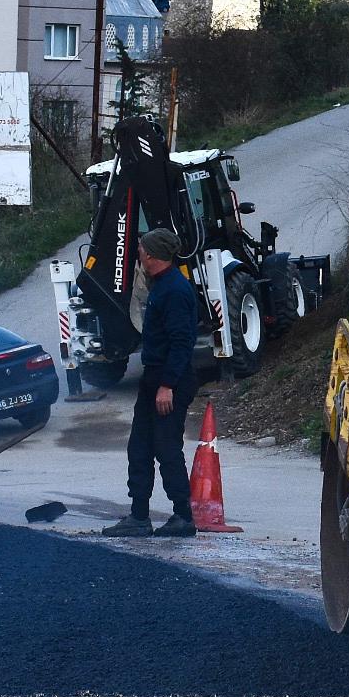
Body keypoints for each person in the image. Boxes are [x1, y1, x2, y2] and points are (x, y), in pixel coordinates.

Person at [102, 230, 199, 540]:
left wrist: (167, 385)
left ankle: (183, 516)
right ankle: (139, 516)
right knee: (140, 446)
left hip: (170, 380)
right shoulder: (160, 286)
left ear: (153, 255)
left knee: (167, 447)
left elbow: (182, 342)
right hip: (153, 378)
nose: (139, 254)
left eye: (142, 250)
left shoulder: (174, 290)